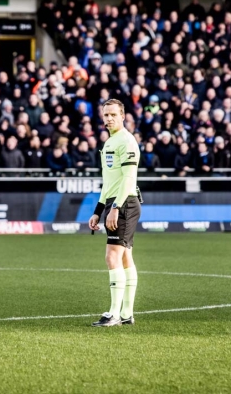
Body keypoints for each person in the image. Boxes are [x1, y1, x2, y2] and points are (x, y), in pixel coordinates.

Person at [88, 99, 142, 327]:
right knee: (125, 256)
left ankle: (114, 314)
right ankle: (127, 313)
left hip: (124, 202)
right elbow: (109, 182)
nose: (109, 118)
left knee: (112, 256)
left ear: (122, 116)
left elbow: (129, 178)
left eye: (113, 115)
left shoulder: (127, 141)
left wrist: (116, 207)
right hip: (117, 201)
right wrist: (98, 211)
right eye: (106, 115)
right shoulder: (111, 142)